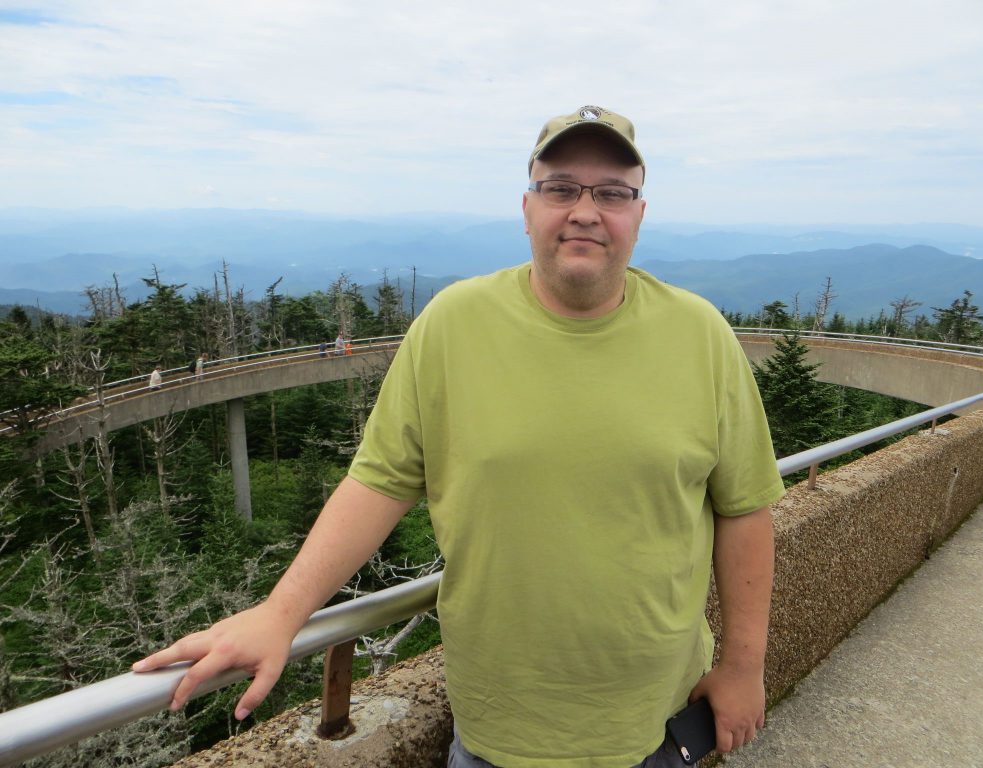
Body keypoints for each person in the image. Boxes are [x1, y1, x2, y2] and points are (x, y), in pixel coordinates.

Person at [133, 105, 784, 768]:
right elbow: (378, 481)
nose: (585, 210)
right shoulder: (454, 325)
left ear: (638, 215)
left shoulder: (701, 337)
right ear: (527, 208)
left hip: (658, 723)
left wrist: (743, 667)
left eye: (612, 193)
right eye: (560, 188)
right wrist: (283, 611)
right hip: (499, 729)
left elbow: (744, 509)